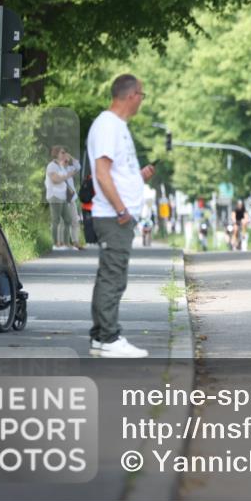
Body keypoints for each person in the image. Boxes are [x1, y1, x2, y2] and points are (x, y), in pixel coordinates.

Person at [86, 74, 155, 358]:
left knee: (111, 275)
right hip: (114, 216)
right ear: (131, 95)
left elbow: (116, 172)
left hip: (118, 214)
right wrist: (121, 210)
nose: (142, 99)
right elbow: (101, 173)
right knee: (113, 277)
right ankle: (110, 337)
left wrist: (138, 179)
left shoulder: (117, 127)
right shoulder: (107, 126)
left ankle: (102, 338)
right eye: (142, 94)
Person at [45, 145, 79, 250]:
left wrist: (70, 160)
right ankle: (56, 244)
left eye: (65, 152)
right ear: (56, 154)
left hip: (63, 196)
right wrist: (68, 175)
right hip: (54, 196)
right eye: (62, 152)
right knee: (56, 220)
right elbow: (55, 180)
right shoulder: (51, 166)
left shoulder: (61, 166)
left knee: (68, 220)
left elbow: (77, 168)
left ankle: (66, 244)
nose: (64, 154)